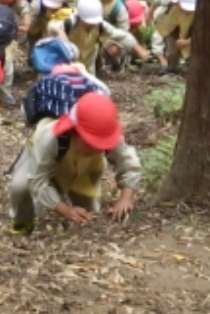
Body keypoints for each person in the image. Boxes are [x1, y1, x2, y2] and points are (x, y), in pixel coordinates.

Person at [7, 93, 141, 231]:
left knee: (88, 210)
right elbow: (38, 179)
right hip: (40, 158)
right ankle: (22, 223)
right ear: (75, 131)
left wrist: (126, 197)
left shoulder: (105, 132)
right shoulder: (49, 138)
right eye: (91, 143)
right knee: (20, 187)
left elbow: (129, 161)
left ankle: (75, 216)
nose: (96, 148)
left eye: (101, 145)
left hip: (85, 167)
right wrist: (64, 210)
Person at [54, 0, 150, 70]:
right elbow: (52, 27)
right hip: (64, 66)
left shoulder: (100, 25)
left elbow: (121, 36)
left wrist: (138, 48)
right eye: (88, 22)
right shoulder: (68, 23)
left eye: (94, 22)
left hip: (87, 66)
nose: (92, 25)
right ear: (80, 17)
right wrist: (61, 34)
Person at [149, 0, 197, 73]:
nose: (187, 11)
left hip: (191, 34)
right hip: (173, 27)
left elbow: (203, 34)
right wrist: (149, 14)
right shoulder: (168, 0)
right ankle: (171, 66)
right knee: (172, 51)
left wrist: (187, 42)